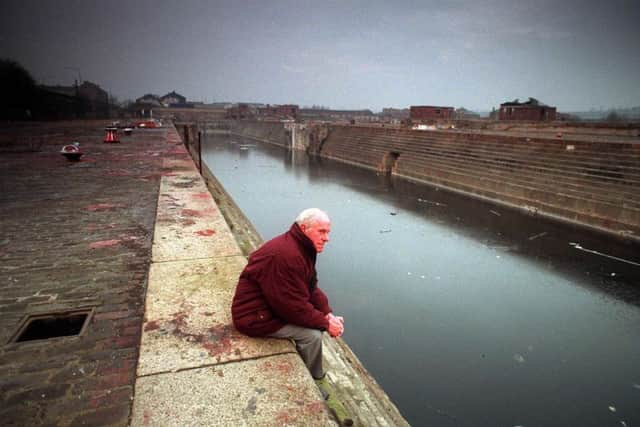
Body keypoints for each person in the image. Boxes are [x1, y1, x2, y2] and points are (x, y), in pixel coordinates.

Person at [231, 208, 344, 380]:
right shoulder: (286, 256)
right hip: (253, 317)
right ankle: (314, 379)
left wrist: (327, 314)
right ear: (305, 228)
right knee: (312, 336)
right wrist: (326, 324)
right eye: (321, 232)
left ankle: (311, 373)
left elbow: (310, 287)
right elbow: (292, 307)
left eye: (327, 232)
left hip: (267, 308)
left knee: (315, 323)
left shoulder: (300, 247)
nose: (326, 238)